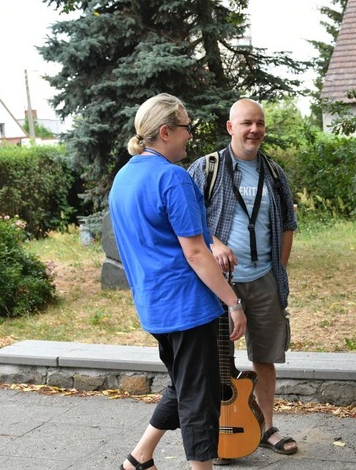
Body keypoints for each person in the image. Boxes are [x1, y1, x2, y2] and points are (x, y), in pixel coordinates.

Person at [109, 93, 245, 470]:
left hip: (154, 306)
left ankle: (139, 458)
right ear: (166, 131)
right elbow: (197, 252)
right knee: (200, 399)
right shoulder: (173, 178)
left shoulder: (124, 176)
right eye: (186, 127)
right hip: (187, 306)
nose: (190, 135)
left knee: (185, 384)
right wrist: (233, 302)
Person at [187, 98, 298, 456]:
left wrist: (277, 270)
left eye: (260, 123)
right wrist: (215, 243)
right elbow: (186, 222)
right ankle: (218, 431)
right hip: (218, 283)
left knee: (264, 358)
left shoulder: (275, 173)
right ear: (230, 127)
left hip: (264, 279)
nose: (254, 130)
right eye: (247, 123)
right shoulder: (207, 169)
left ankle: (266, 428)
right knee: (215, 359)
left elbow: (287, 226)